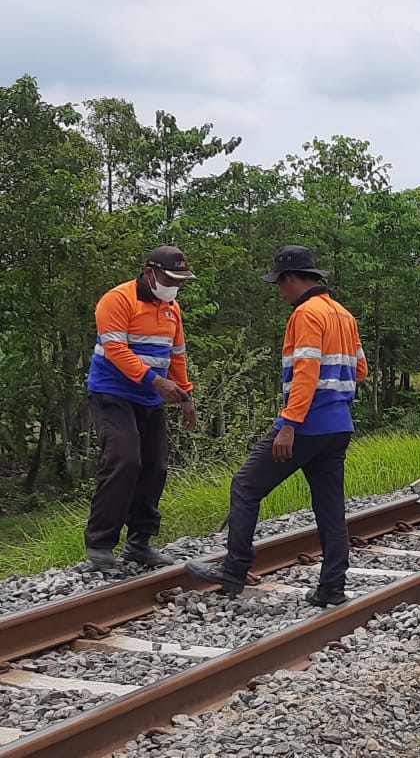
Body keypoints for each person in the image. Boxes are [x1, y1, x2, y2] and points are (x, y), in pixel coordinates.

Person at [186, 245, 367, 607]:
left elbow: (306, 372)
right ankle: (332, 586)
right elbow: (360, 369)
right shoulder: (343, 315)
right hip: (338, 426)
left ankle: (234, 569)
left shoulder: (306, 314)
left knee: (246, 485)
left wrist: (289, 424)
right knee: (330, 508)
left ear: (290, 279)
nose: (280, 292)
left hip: (307, 425)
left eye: (279, 284)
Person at [84, 245, 199, 569]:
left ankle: (140, 542)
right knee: (124, 461)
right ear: (150, 273)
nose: (174, 286)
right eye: (170, 279)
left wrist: (186, 397)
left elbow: (177, 356)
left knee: (154, 467)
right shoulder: (117, 300)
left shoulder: (171, 309)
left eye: (180, 281)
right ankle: (100, 544)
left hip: (150, 399)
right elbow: (116, 349)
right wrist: (154, 381)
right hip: (113, 395)